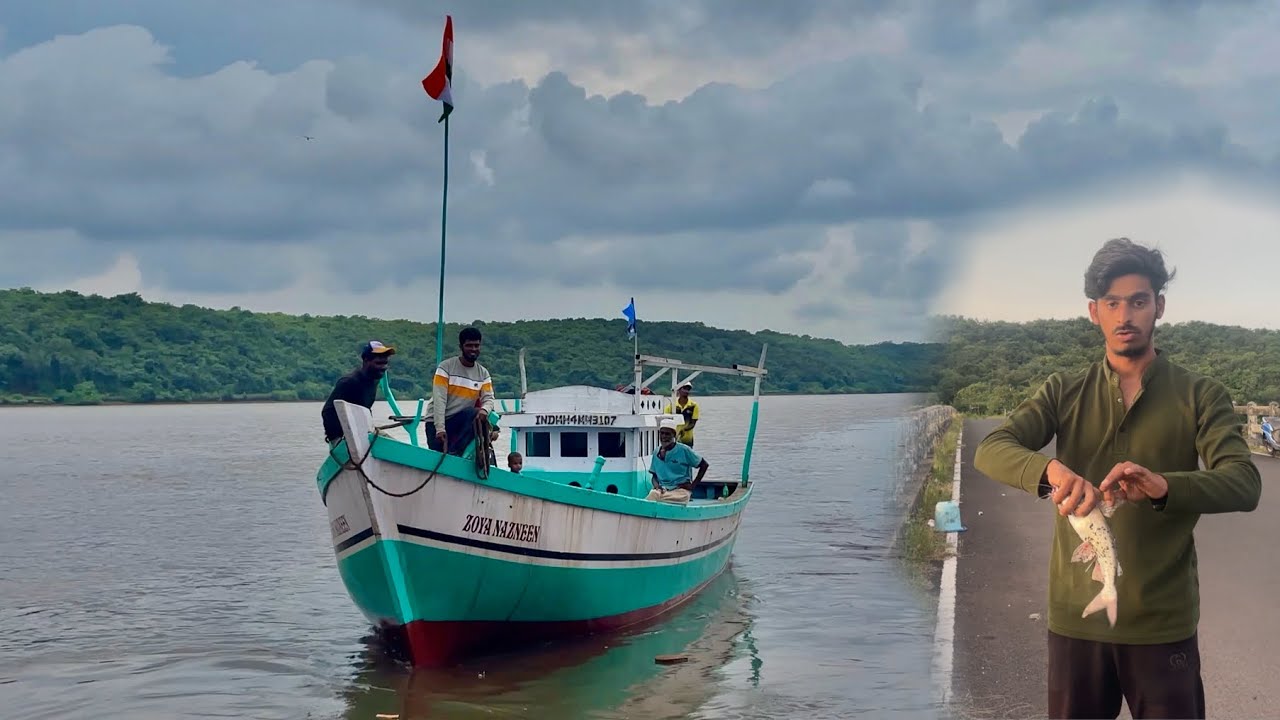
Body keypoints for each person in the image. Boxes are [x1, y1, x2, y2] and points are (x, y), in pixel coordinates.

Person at [972, 238, 1261, 719]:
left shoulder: (1201, 394)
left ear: (1159, 307)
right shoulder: (1063, 390)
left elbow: (1244, 482)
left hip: (1162, 623)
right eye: (1112, 303)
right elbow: (991, 449)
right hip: (1075, 622)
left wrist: (1166, 486)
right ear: (1094, 312)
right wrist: (1050, 470)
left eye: (1139, 301)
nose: (1125, 314)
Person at [426, 326, 495, 456]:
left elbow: (489, 399)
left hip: (461, 424)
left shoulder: (483, 374)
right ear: (461, 346)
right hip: (437, 422)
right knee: (437, 459)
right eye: (469, 345)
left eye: (476, 345)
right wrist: (440, 429)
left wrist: (485, 410)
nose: (473, 349)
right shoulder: (445, 367)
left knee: (476, 413)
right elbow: (439, 399)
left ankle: (456, 454)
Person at [321, 340, 396, 444]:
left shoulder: (374, 380)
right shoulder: (349, 382)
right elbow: (328, 412)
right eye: (378, 363)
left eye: (385, 363)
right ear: (366, 361)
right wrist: (336, 440)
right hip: (346, 438)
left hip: (365, 432)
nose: (383, 367)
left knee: (402, 450)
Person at [647, 418, 709, 503]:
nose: (664, 436)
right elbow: (654, 476)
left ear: (674, 435)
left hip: (680, 491)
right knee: (653, 494)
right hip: (663, 490)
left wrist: (692, 486)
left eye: (667, 434)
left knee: (680, 497)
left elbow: (704, 465)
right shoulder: (656, 452)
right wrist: (657, 486)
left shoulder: (684, 450)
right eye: (662, 433)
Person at [663, 380, 700, 447]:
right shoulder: (671, 406)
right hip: (673, 439)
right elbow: (665, 422)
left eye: (688, 389)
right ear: (679, 390)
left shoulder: (693, 406)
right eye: (684, 388)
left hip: (687, 439)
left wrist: (683, 430)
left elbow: (693, 423)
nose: (686, 391)